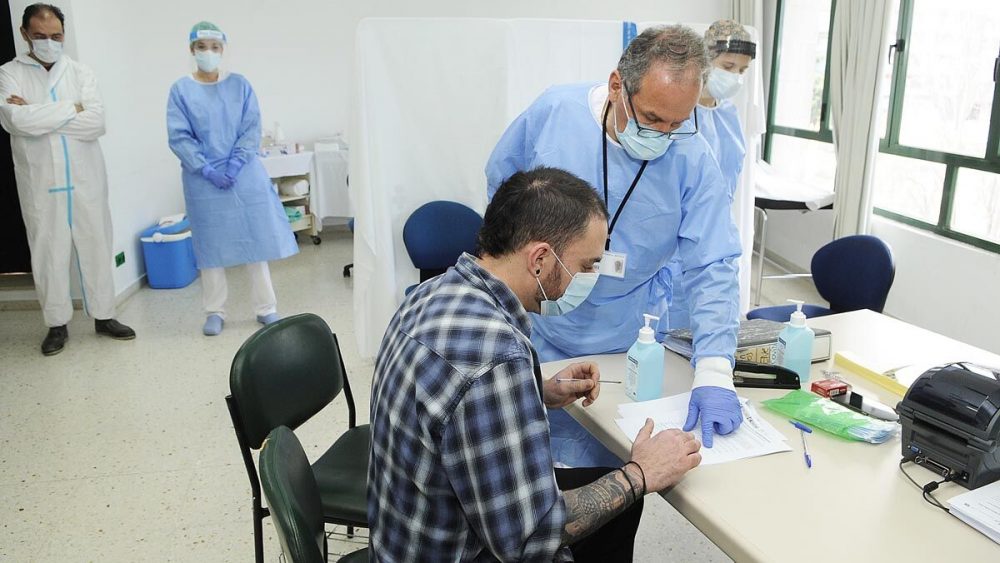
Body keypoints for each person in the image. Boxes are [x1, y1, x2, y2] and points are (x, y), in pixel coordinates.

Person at [368, 167, 702, 562]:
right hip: (460, 550)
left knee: (617, 511)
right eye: (588, 265)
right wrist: (642, 473)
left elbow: (450, 401)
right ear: (540, 259)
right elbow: (529, 539)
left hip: (408, 534)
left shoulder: (431, 293)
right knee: (624, 495)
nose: (591, 277)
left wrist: (534, 389)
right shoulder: (496, 357)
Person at [486, 25, 743, 466]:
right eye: (651, 119)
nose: (662, 135)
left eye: (677, 124)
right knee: (528, 463)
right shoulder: (555, 113)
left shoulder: (692, 156)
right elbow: (502, 194)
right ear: (616, 86)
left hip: (625, 338)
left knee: (612, 472)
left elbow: (713, 263)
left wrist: (716, 370)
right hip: (541, 325)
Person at [0, 3, 135, 356]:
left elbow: (97, 122)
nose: (49, 42)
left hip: (86, 180)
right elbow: (15, 121)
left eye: (56, 36)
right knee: (47, 253)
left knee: (96, 245)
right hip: (41, 183)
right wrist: (71, 108)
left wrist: (36, 110)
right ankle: (56, 324)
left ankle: (104, 317)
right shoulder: (9, 73)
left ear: (64, 34)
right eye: (41, 36)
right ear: (25, 34)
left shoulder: (81, 73)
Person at [166, 22, 297, 336]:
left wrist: (236, 164)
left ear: (223, 50)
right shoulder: (181, 90)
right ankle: (215, 311)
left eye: (214, 47)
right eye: (201, 47)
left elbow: (251, 128)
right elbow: (180, 136)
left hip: (243, 175)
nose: (208, 53)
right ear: (191, 50)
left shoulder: (240, 85)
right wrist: (206, 168)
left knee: (255, 240)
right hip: (203, 180)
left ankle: (266, 308)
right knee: (210, 248)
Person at [667, 19, 757, 330]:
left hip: (716, 234)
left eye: (742, 71)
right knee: (672, 319)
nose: (735, 77)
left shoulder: (729, 116)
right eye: (728, 65)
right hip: (675, 241)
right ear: (705, 60)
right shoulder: (677, 114)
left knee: (713, 319)